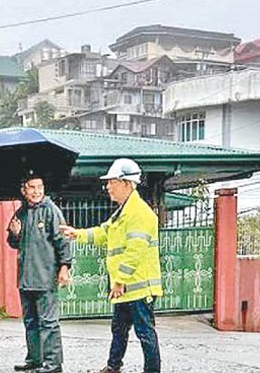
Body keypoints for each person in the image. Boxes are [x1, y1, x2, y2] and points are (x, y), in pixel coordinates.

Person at [60, 158, 163, 373]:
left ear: (126, 183)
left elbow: (134, 252)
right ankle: (113, 366)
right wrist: (76, 233)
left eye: (111, 182)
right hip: (125, 288)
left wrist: (119, 281)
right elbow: (103, 232)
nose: (107, 187)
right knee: (119, 329)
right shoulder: (123, 213)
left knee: (145, 333)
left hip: (137, 288)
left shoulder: (140, 214)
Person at [7, 174, 72, 373]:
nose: (36, 191)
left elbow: (63, 240)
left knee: (49, 323)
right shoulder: (21, 213)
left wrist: (65, 266)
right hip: (26, 279)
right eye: (32, 187)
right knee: (31, 322)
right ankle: (35, 359)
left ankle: (53, 364)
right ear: (23, 190)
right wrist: (14, 233)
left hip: (45, 277)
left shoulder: (51, 211)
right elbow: (13, 243)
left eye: (39, 187)